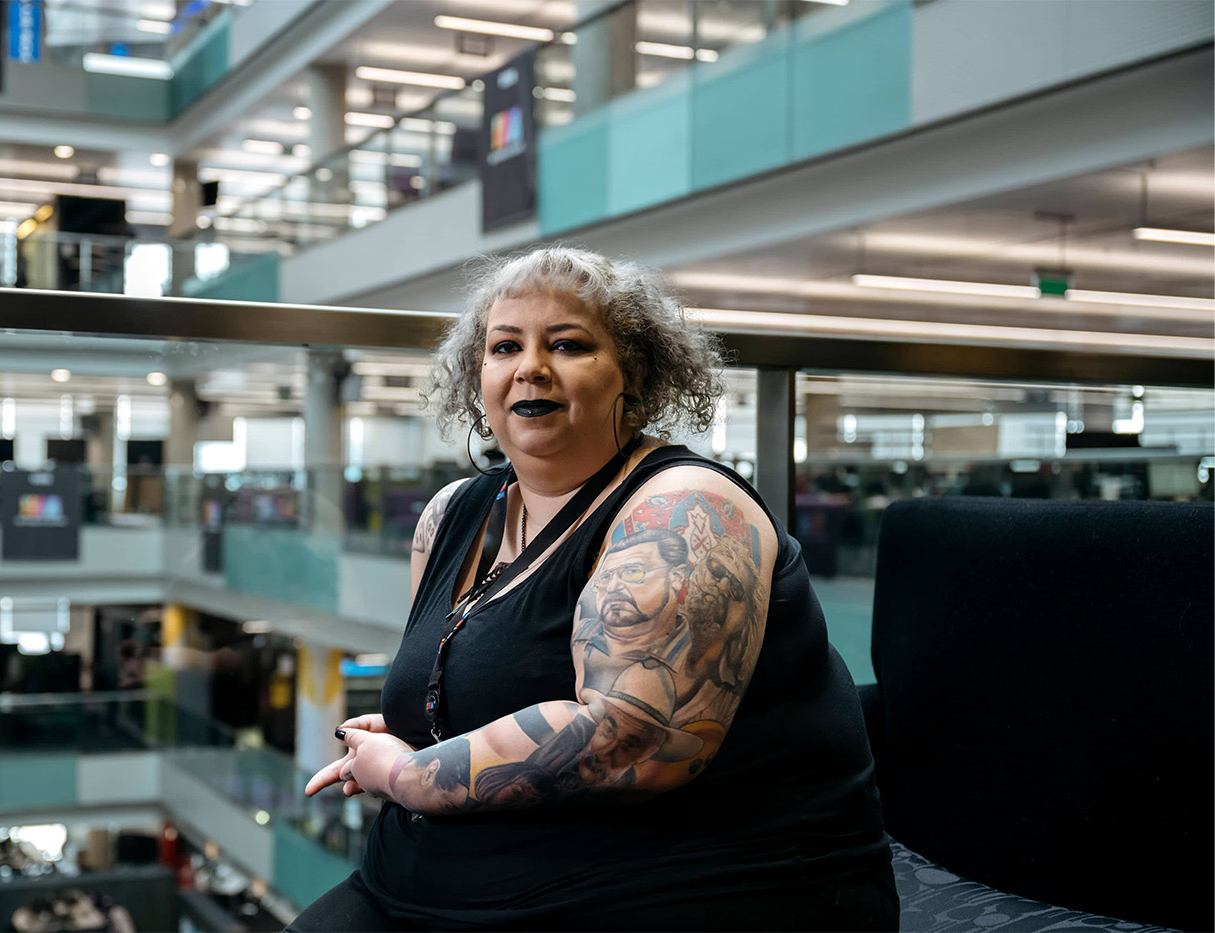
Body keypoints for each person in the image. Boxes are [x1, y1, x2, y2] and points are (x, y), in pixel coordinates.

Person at [296, 247, 897, 931]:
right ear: (478, 377)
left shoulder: (684, 512)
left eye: (568, 344)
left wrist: (409, 774)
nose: (531, 366)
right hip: (436, 878)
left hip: (675, 882)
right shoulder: (451, 516)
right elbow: (474, 677)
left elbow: (634, 740)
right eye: (505, 346)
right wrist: (422, 727)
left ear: (633, 376)